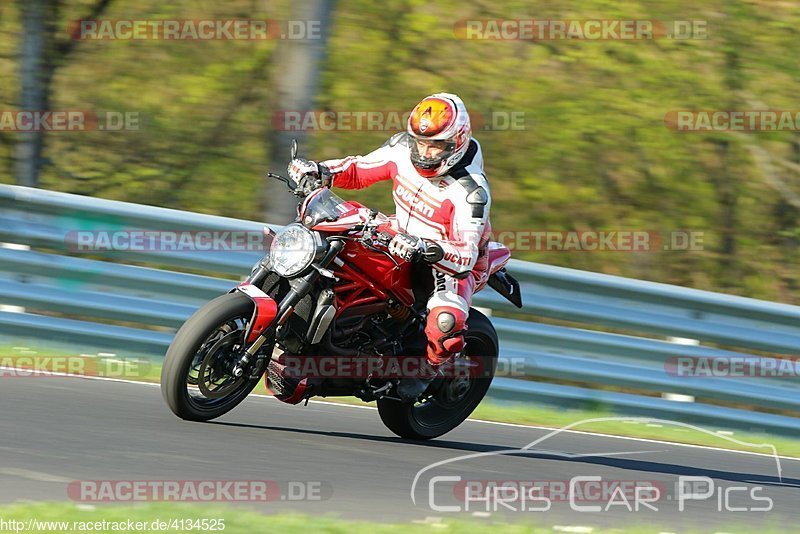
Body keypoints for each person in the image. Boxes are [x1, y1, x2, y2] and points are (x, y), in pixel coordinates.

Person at [287, 93, 491, 401]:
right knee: (332, 238)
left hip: (444, 260)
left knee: (445, 321)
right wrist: (320, 170)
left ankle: (425, 370)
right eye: (420, 142)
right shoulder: (402, 151)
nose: (424, 152)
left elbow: (465, 254)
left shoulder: (471, 192)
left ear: (456, 143)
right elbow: (359, 169)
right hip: (398, 233)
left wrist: (427, 248)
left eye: (435, 145)